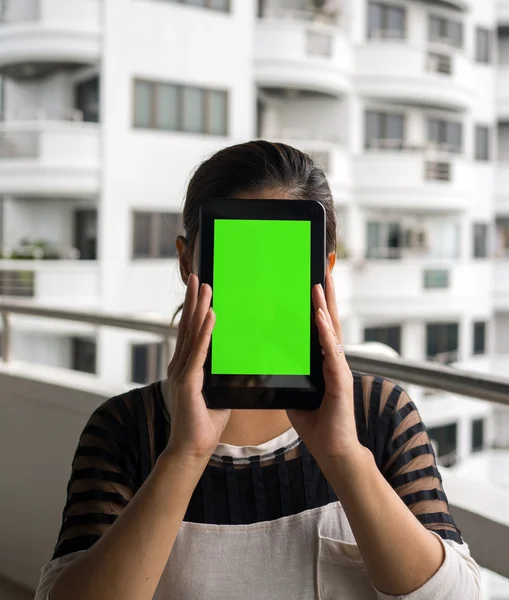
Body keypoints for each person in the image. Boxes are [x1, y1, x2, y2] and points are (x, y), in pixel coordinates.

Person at [35, 141, 481, 600]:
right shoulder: (125, 430)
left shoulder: (380, 415)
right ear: (187, 261)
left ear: (326, 268)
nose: (259, 293)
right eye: (241, 263)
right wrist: (185, 455)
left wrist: (344, 455)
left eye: (279, 266)